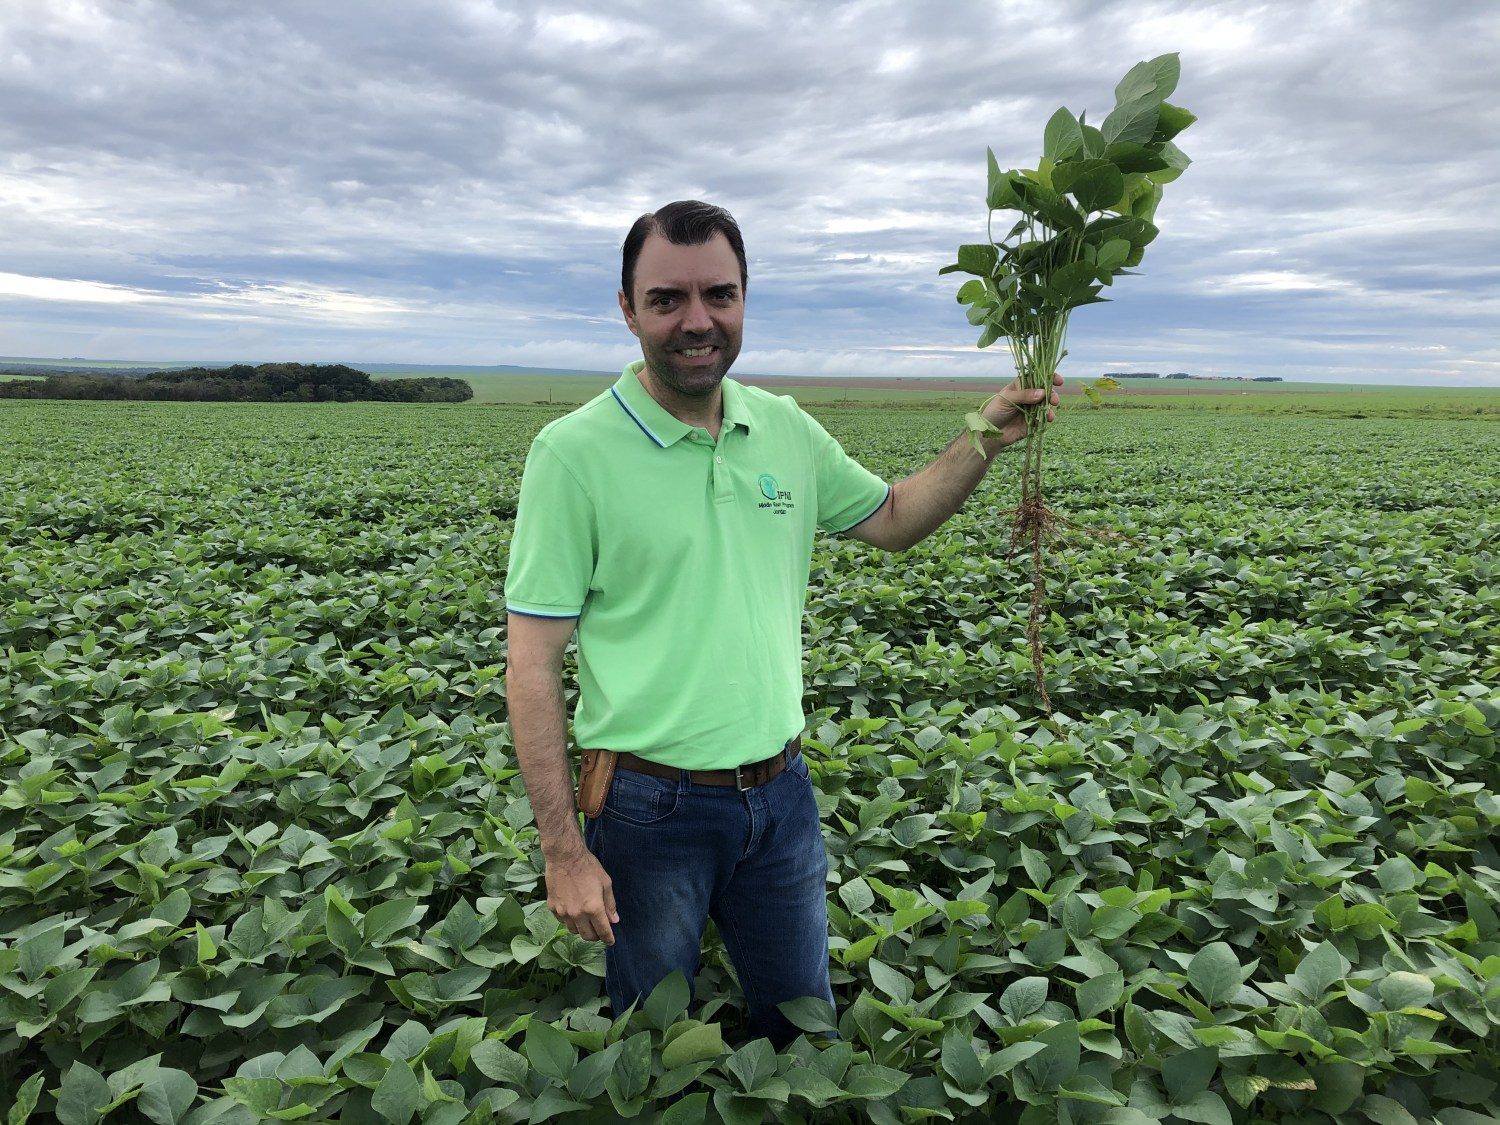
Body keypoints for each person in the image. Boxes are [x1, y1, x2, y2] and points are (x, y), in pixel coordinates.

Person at [504, 200, 1061, 1048]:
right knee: (650, 1047)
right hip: (648, 808)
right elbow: (532, 664)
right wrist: (562, 850)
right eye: (667, 300)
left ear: (744, 298)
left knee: (803, 1032)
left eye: (718, 295)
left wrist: (986, 433)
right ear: (627, 309)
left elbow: (896, 516)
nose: (698, 321)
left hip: (782, 796)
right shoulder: (572, 454)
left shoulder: (785, 427)